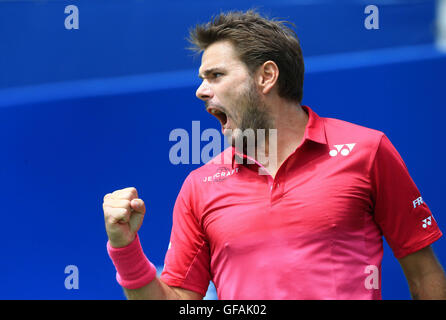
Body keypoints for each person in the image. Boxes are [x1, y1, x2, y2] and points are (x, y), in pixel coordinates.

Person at [103, 10, 446, 300]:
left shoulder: (367, 151)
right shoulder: (199, 186)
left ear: (266, 76)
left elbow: (423, 276)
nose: (200, 90)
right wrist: (124, 247)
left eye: (216, 75)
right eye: (202, 78)